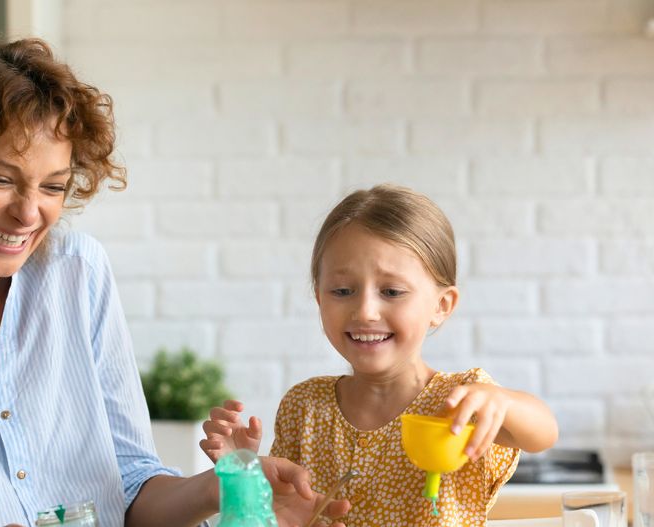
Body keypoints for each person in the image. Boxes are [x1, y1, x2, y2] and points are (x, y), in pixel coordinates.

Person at [0, 38, 350, 527]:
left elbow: (129, 483)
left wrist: (225, 489)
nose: (28, 213)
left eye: (53, 187)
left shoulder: (78, 269)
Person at [200, 184, 559, 526]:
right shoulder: (304, 406)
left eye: (391, 292)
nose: (365, 311)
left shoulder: (463, 401)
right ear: (319, 297)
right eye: (343, 290)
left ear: (441, 305)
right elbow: (283, 515)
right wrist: (242, 475)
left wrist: (503, 402)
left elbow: (543, 433)